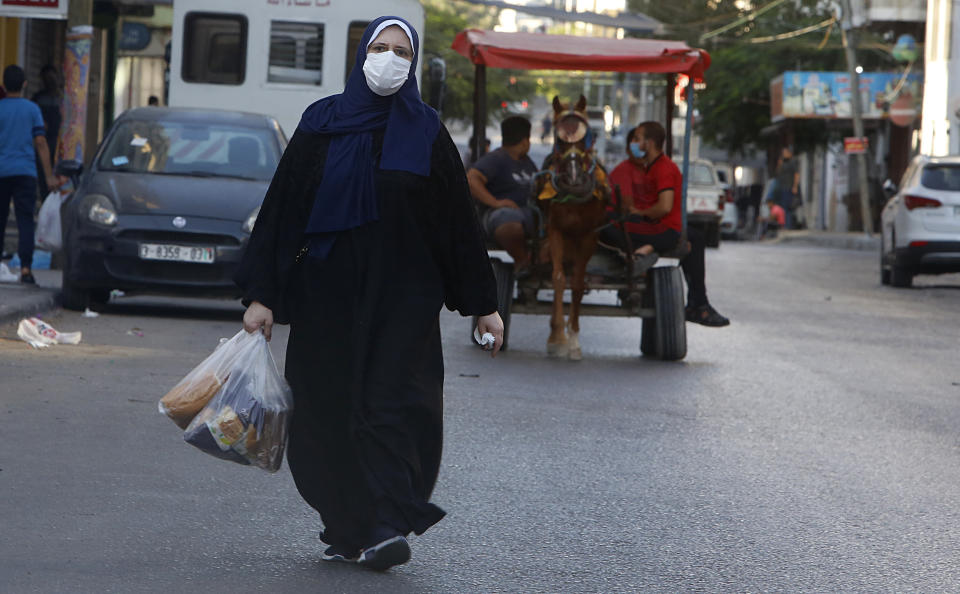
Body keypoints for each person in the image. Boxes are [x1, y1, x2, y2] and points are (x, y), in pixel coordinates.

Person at [234, 17, 503, 571]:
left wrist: (484, 304)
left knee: (393, 405)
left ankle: (384, 524)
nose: (389, 59)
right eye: (380, 48)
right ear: (361, 55)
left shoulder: (425, 130)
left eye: (401, 51)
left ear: (414, 62)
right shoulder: (323, 122)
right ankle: (346, 522)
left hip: (403, 297)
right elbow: (285, 210)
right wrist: (262, 295)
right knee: (326, 408)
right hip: (327, 296)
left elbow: (456, 222)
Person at [599, 122, 730, 327]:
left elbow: (664, 207)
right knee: (607, 226)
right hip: (653, 226)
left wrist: (640, 213)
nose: (634, 143)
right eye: (633, 140)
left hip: (663, 229)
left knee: (607, 229)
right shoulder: (641, 169)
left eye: (637, 139)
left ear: (649, 144)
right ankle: (647, 250)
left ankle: (698, 303)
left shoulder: (662, 169)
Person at [0, 65, 61, 284]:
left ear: (4, 85)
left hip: (2, 172)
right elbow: (41, 142)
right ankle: (26, 269)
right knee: (25, 220)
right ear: (25, 84)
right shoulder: (32, 109)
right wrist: (48, 176)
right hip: (25, 172)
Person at [466, 116, 538, 277]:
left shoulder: (527, 162)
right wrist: (496, 202)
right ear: (525, 141)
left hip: (529, 211)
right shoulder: (497, 158)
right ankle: (522, 260)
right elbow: (471, 180)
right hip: (499, 215)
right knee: (509, 223)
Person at [31, 64, 62, 197]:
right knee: (44, 177)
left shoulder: (64, 98)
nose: (50, 81)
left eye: (52, 77)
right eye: (46, 78)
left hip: (59, 142)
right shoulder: (38, 98)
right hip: (43, 141)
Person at [773, 147, 799, 229]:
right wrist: (779, 164)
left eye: (785, 153)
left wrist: (795, 186)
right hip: (782, 187)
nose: (784, 155)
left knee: (788, 207)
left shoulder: (792, 162)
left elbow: (796, 174)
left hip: (789, 187)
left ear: (789, 153)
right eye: (783, 153)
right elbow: (777, 173)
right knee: (783, 207)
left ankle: (788, 225)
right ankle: (784, 224)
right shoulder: (783, 162)